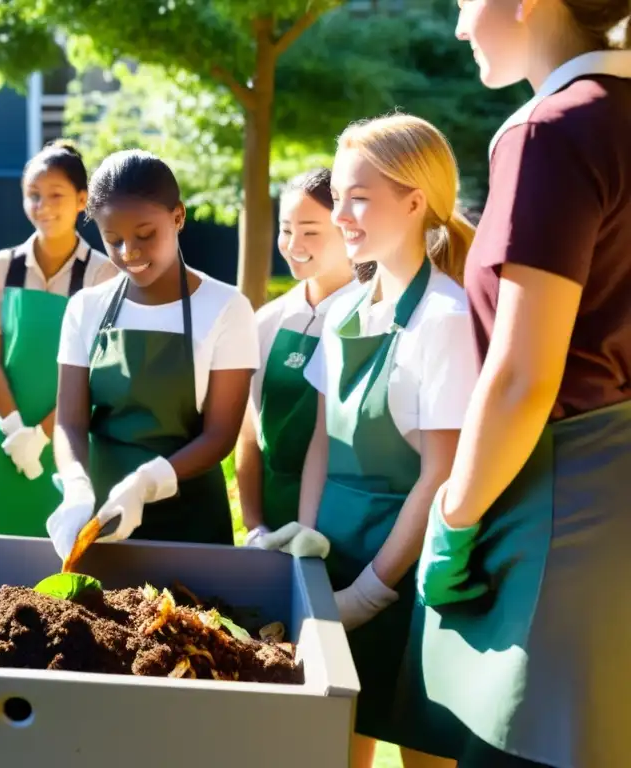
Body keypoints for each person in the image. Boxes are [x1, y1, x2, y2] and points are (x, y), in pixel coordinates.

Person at [414, 3, 631, 767]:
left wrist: (454, 521)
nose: (459, 26)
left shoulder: (552, 129)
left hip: (554, 518)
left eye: (467, 2)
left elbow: (522, 379)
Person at [297, 115, 480, 768]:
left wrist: (371, 591)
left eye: (359, 197)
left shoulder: (447, 321)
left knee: (416, 749)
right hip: (332, 567)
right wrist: (305, 540)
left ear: (413, 201)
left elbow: (441, 476)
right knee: (333, 748)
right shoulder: (345, 310)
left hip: (404, 584)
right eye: (337, 195)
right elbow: (321, 439)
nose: (340, 213)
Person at [45, 150, 259, 560]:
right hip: (104, 518)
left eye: (145, 234)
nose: (129, 252)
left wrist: (146, 483)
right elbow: (70, 422)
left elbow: (220, 435)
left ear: (177, 217)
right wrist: (76, 486)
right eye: (113, 239)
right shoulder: (85, 308)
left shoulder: (227, 307)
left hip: (191, 518)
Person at [0, 141, 117, 537]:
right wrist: (18, 430)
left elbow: (98, 374)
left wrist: (41, 435)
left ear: (82, 200)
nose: (44, 206)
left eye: (56, 195)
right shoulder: (0, 267)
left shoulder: (102, 275)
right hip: (6, 434)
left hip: (70, 437)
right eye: (33, 196)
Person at [235, 168, 356, 546]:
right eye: (286, 230)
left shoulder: (371, 318)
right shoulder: (267, 320)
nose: (293, 243)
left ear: (347, 229)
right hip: (273, 525)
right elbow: (249, 437)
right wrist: (255, 527)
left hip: (348, 526)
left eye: (310, 231)